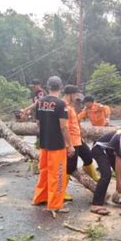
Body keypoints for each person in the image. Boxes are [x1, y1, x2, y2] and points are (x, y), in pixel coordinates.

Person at [32, 76, 75, 216]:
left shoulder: (40, 102)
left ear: (48, 86)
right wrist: (70, 145)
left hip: (44, 143)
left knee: (44, 171)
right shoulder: (61, 104)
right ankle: (55, 204)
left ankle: (40, 198)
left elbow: (38, 123)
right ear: (61, 87)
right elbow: (63, 127)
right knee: (58, 174)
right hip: (57, 145)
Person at [62, 85, 100, 201]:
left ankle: (93, 175)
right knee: (70, 166)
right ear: (71, 94)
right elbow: (64, 126)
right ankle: (61, 191)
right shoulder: (63, 106)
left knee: (88, 156)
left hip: (78, 138)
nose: (77, 98)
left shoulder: (70, 106)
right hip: (71, 141)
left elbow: (75, 123)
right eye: (76, 95)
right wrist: (69, 145)